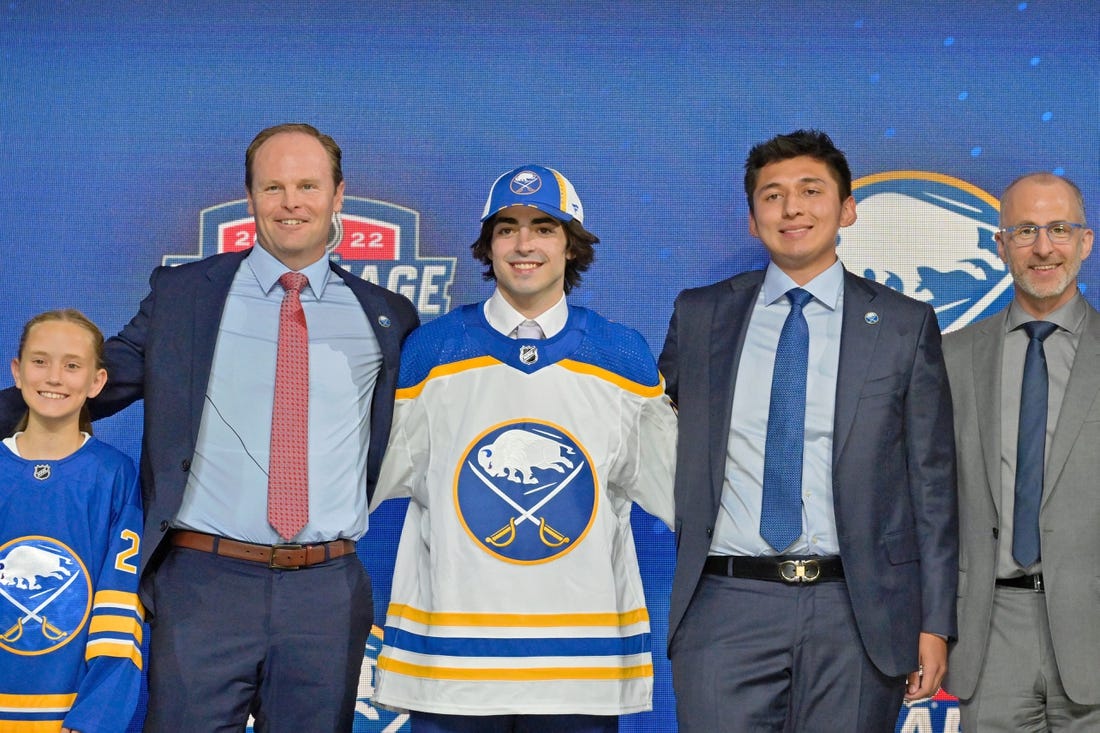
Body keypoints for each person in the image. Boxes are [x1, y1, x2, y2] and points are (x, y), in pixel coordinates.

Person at [0, 123, 419, 731]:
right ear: (249, 197)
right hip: (202, 585)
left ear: (338, 194)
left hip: (326, 594)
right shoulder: (182, 295)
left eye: (307, 185)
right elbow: (88, 385)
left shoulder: (386, 314)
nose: (291, 202)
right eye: (272, 186)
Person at [660, 129, 958, 731]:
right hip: (726, 603)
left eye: (810, 190)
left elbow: (932, 486)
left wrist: (935, 622)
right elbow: (643, 431)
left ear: (847, 208)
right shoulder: (701, 314)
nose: (791, 208)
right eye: (772, 196)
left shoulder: (902, 324)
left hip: (857, 608)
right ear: (752, 220)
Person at [369, 164, 677, 732]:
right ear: (489, 245)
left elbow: (685, 498)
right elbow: (359, 484)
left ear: (571, 245)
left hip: (579, 672)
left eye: (544, 226)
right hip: (453, 671)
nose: (524, 243)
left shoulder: (622, 357)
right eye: (506, 228)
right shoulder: (430, 353)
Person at [943, 173, 1100, 731]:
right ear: (999, 245)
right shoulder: (950, 359)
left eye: (1059, 229)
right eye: (1025, 230)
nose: (1043, 247)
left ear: (1085, 241)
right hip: (990, 633)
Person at [0, 309, 143, 733]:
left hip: (70, 716)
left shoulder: (115, 475)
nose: (54, 378)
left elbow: (119, 610)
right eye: (40, 361)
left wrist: (92, 721)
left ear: (97, 381)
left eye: (73, 365)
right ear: (18, 372)